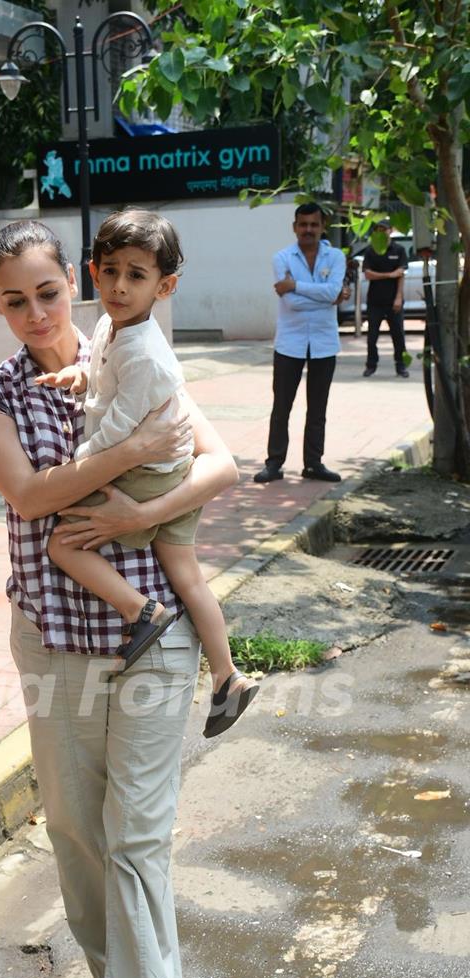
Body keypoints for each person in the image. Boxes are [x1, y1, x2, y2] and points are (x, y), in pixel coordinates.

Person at [0, 220, 238, 978]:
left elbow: (220, 464)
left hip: (150, 631)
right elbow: (31, 494)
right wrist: (132, 453)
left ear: (71, 285)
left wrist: (138, 512)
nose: (36, 312)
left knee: (135, 837)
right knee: (78, 832)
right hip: (54, 643)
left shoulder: (129, 346)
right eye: (15, 300)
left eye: (47, 293)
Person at [38, 209, 258, 734]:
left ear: (166, 286)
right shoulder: (113, 327)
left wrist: (78, 464)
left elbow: (119, 431)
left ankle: (143, 613)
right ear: (93, 271)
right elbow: (102, 374)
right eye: (110, 270)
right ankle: (228, 677)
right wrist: (79, 373)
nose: (119, 285)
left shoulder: (146, 353)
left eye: (136, 275)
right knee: (187, 575)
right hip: (173, 470)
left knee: (63, 545)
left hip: (149, 474)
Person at [254, 202, 346, 484]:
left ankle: (313, 464)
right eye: (303, 224)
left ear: (322, 227)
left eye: (314, 225)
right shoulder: (282, 258)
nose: (308, 230)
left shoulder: (336, 256)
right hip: (289, 343)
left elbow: (332, 291)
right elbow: (293, 305)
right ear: (295, 227)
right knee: (282, 406)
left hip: (324, 342)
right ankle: (274, 464)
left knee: (318, 408)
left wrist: (295, 285)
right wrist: (325, 296)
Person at [362, 220, 409, 378]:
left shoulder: (399, 249)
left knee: (398, 336)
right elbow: (368, 274)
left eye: (384, 229)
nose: (381, 232)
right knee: (371, 337)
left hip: (394, 301)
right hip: (375, 301)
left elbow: (401, 274)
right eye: (378, 229)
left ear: (391, 230)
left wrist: (399, 297)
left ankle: (401, 366)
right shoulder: (370, 251)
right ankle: (371, 365)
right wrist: (389, 275)